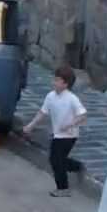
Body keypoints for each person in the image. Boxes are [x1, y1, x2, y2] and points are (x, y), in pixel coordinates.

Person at [22, 65, 88, 198]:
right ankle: (76, 166)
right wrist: (31, 125)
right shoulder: (50, 96)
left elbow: (83, 115)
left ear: (66, 84)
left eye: (58, 80)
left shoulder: (71, 99)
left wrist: (69, 125)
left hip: (69, 135)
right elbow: (42, 112)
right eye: (55, 79)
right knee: (58, 159)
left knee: (56, 160)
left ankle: (63, 188)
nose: (54, 83)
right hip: (57, 134)